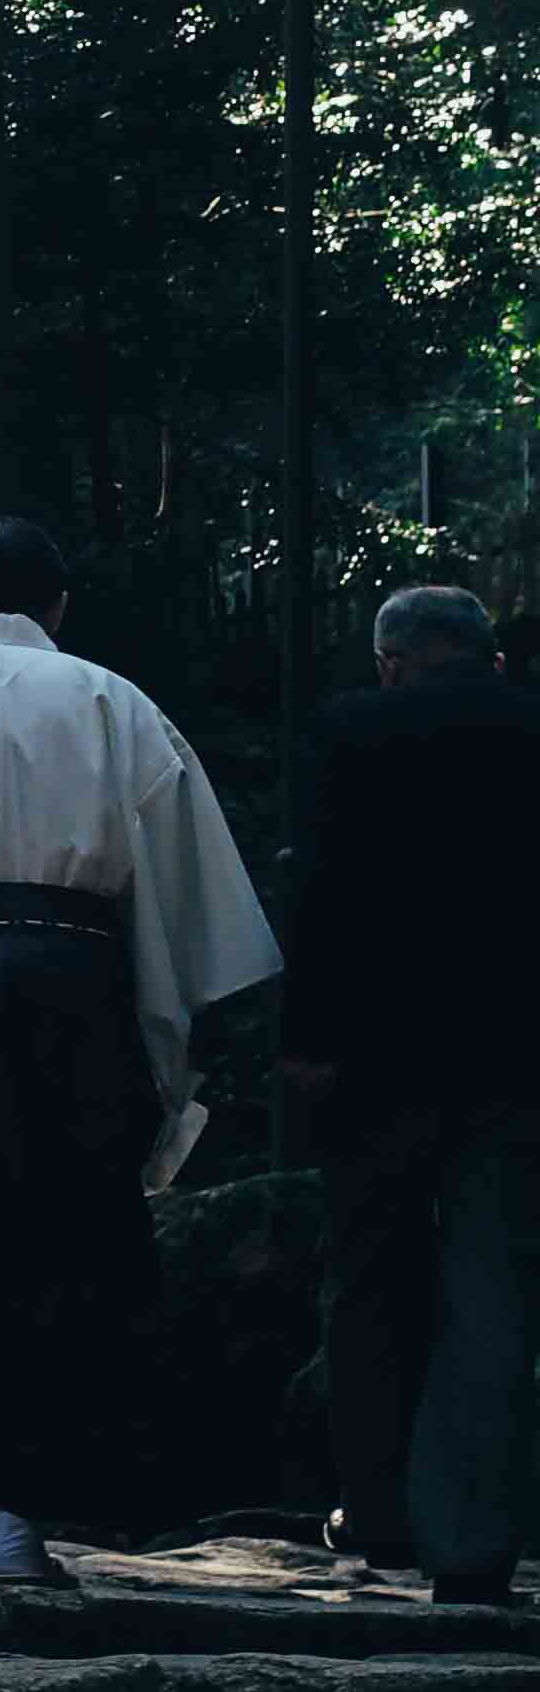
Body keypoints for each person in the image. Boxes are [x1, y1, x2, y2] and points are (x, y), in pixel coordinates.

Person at [0, 516, 281, 1583]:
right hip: (76, 983)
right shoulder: (115, 704)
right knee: (64, 1241)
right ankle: (21, 1517)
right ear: (58, 603)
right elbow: (187, 892)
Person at [281, 584, 540, 1604]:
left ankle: (379, 1510)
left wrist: (305, 1039)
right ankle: (472, 1542)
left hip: (375, 1056)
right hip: (517, 1053)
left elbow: (321, 889)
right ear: (492, 658)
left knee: (370, 1278)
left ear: (392, 660)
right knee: (495, 1290)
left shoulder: (351, 731)